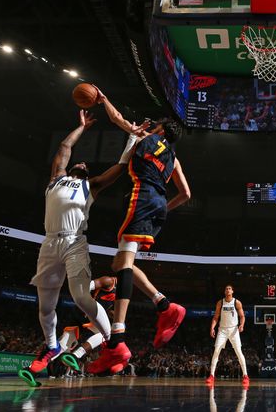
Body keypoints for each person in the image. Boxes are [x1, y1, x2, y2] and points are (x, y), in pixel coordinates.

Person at [17, 110, 143, 387]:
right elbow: (64, 148)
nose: (83, 162)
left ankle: (112, 342)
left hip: (75, 241)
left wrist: (132, 138)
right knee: (45, 306)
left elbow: (121, 166)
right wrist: (82, 127)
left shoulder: (92, 185)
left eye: (86, 163)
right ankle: (52, 346)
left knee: (81, 298)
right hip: (50, 243)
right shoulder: (56, 179)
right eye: (80, 161)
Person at [89, 93, 191, 373]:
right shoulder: (174, 158)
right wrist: (164, 209)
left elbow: (116, 118)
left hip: (142, 198)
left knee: (123, 265)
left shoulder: (147, 136)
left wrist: (102, 98)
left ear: (159, 129)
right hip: (157, 205)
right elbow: (186, 194)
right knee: (122, 264)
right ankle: (163, 305)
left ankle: (118, 340)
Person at [206, 285, 249, 386]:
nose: (228, 290)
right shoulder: (220, 302)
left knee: (238, 351)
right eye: (226, 289)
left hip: (234, 329)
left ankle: (245, 376)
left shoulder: (236, 302)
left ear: (232, 291)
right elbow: (216, 317)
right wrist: (212, 327)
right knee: (216, 350)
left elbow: (242, 316)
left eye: (229, 289)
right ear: (224, 291)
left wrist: (242, 325)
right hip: (222, 330)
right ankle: (211, 375)